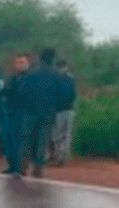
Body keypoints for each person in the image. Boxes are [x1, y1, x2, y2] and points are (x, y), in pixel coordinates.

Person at [21, 48, 72, 178]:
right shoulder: (57, 76)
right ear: (53, 59)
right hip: (48, 111)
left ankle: (24, 163)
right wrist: (56, 106)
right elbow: (64, 94)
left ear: (40, 58)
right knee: (43, 140)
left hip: (31, 111)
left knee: (27, 137)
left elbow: (23, 91)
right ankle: (38, 166)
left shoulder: (32, 74)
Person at [0, 54, 31, 176]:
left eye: (22, 62)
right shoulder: (12, 78)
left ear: (27, 64)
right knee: (9, 139)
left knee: (20, 140)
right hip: (10, 111)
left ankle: (19, 167)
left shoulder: (30, 79)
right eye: (18, 62)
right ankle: (12, 165)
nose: (20, 65)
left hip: (23, 112)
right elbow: (4, 92)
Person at [49, 59, 77, 166]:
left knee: (62, 134)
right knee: (62, 134)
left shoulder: (61, 78)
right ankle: (61, 156)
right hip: (65, 109)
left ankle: (61, 156)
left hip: (63, 109)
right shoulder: (67, 78)